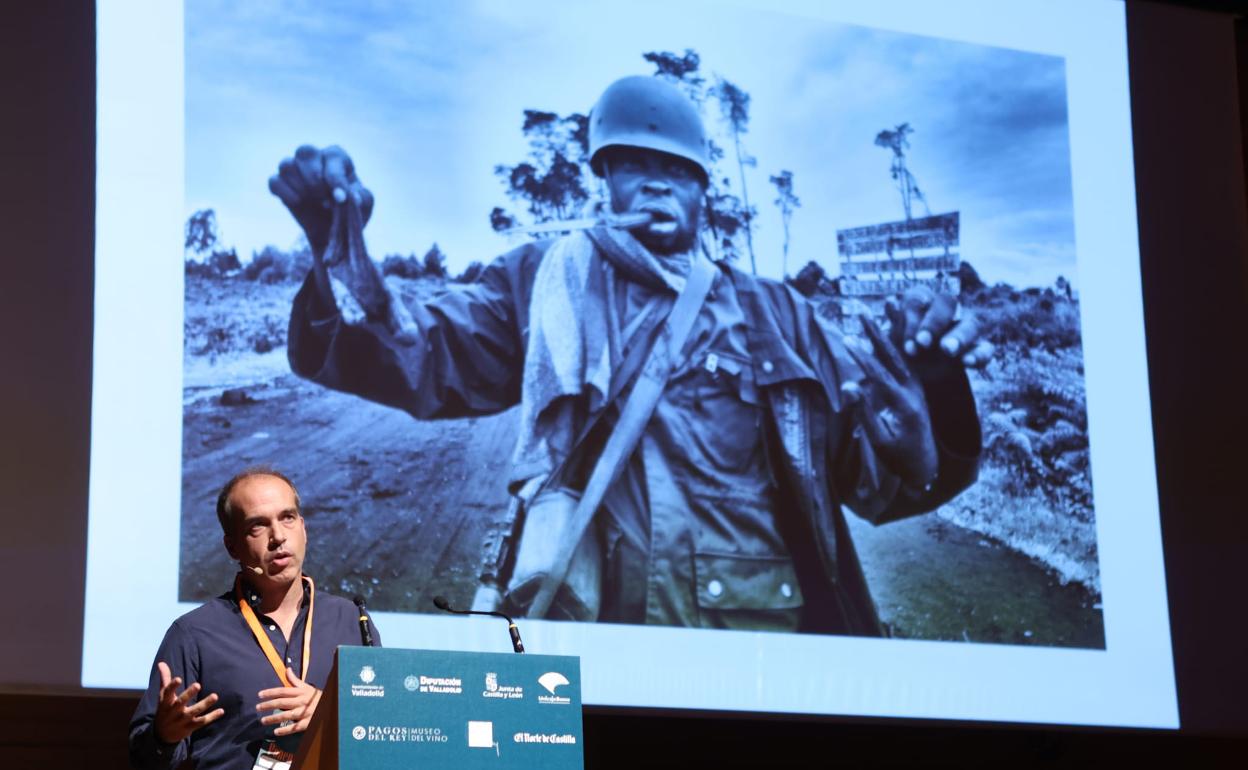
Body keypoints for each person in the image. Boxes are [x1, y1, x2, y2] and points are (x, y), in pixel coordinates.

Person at [269, 75, 988, 635]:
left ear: (704, 187)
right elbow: (424, 355)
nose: (653, 181)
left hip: (760, 655)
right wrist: (346, 269)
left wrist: (933, 399)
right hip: (594, 652)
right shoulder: (544, 280)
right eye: (631, 164)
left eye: (674, 169)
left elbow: (878, 485)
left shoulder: (782, 315)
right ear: (603, 178)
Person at [129, 468, 381, 769]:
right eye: (258, 526)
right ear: (232, 546)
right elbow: (143, 759)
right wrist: (163, 736)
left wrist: (333, 712)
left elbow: (383, 730)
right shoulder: (194, 633)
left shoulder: (352, 620)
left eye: (287, 518)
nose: (278, 537)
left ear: (303, 528)